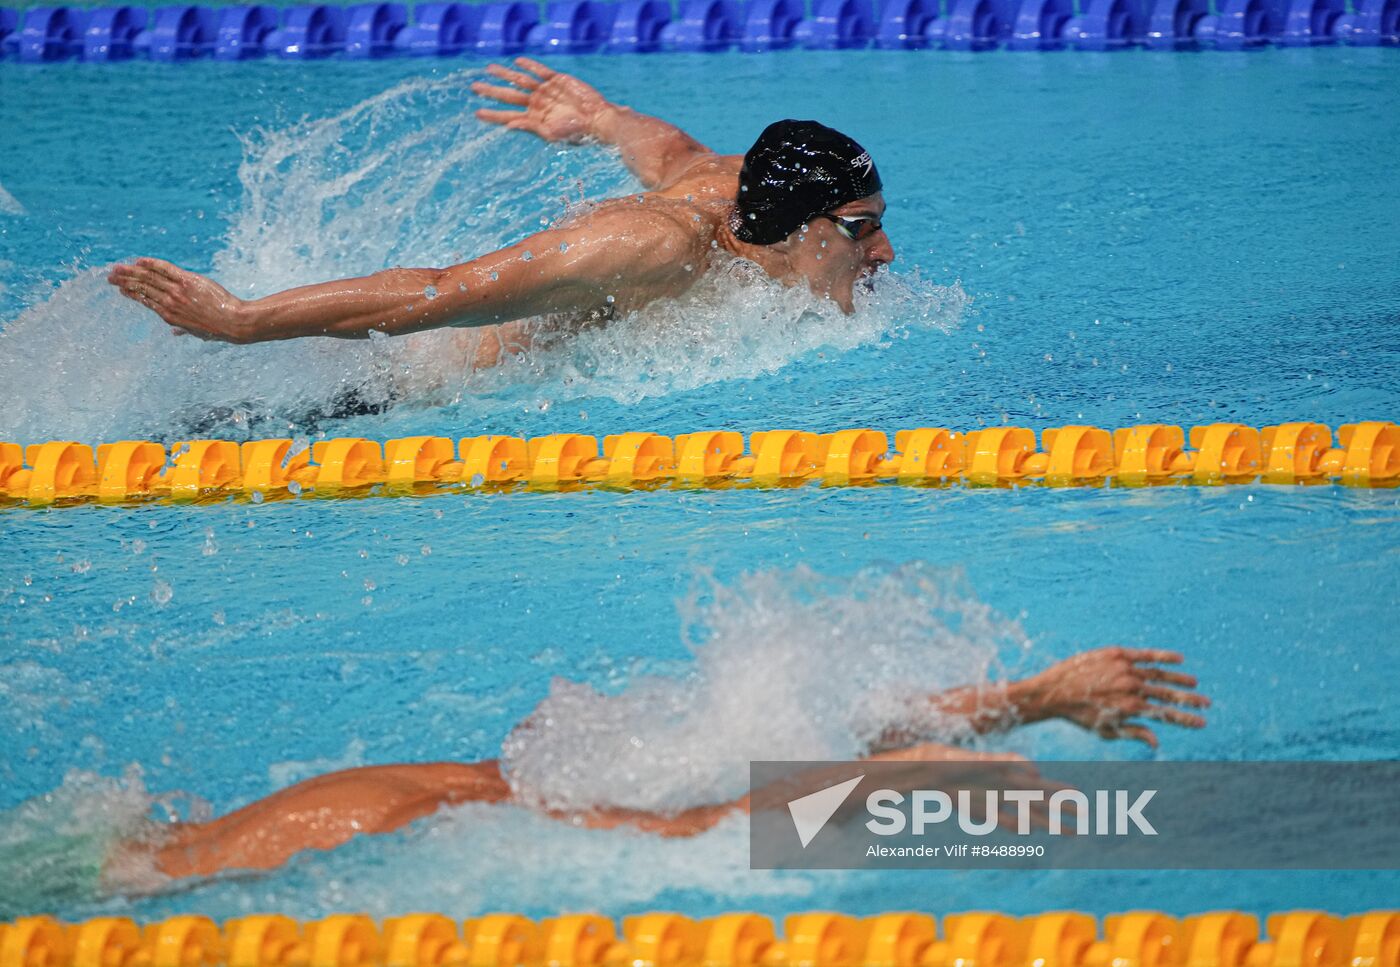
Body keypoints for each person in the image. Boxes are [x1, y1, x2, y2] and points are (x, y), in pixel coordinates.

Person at [130, 646, 1207, 882]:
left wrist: (1030, 700)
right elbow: (682, 828)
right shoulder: (372, 830)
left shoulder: (514, 784)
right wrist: (892, 785)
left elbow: (740, 772)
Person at [105, 58, 894, 347]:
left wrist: (602, 121)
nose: (884, 253)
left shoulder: (741, 187)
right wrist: (243, 320)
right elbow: (440, 291)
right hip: (392, 385)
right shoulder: (653, 248)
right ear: (798, 227)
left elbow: (679, 154)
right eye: (864, 230)